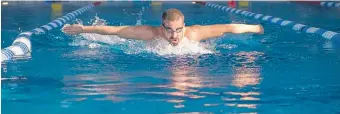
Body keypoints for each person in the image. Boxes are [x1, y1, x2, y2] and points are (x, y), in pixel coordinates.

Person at [62, 8, 264, 46]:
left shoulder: (194, 33)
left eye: (178, 30)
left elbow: (229, 27)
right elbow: (114, 30)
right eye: (169, 30)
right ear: (162, 26)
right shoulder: (151, 34)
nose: (174, 36)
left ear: (184, 26)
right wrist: (83, 29)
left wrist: (255, 28)